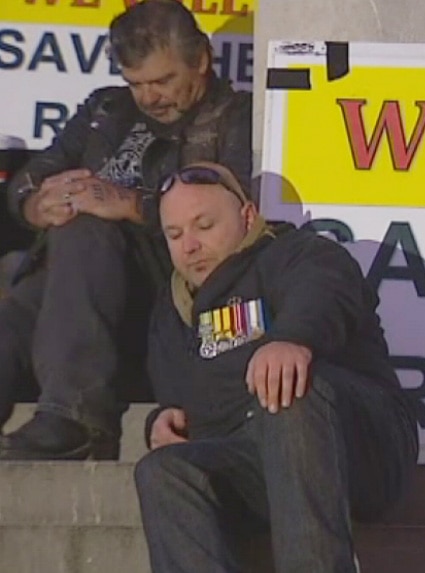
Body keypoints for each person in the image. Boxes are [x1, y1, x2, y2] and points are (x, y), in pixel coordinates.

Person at [135, 162, 419, 572]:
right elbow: (176, 393)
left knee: (288, 390)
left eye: (204, 225)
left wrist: (293, 338)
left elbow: (323, 294)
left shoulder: (298, 253)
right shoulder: (172, 307)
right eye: (175, 235)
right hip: (255, 460)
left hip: (356, 446)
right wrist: (163, 420)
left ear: (248, 216)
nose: (190, 246)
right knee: (162, 472)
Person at [0, 0, 252, 460]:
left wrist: (132, 204)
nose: (149, 97)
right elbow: (36, 172)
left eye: (162, 81)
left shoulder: (239, 118)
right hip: (75, 290)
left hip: (168, 290)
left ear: (200, 60)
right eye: (136, 83)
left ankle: (78, 418)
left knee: (86, 228)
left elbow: (234, 211)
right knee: (13, 317)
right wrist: (37, 203)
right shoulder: (106, 109)